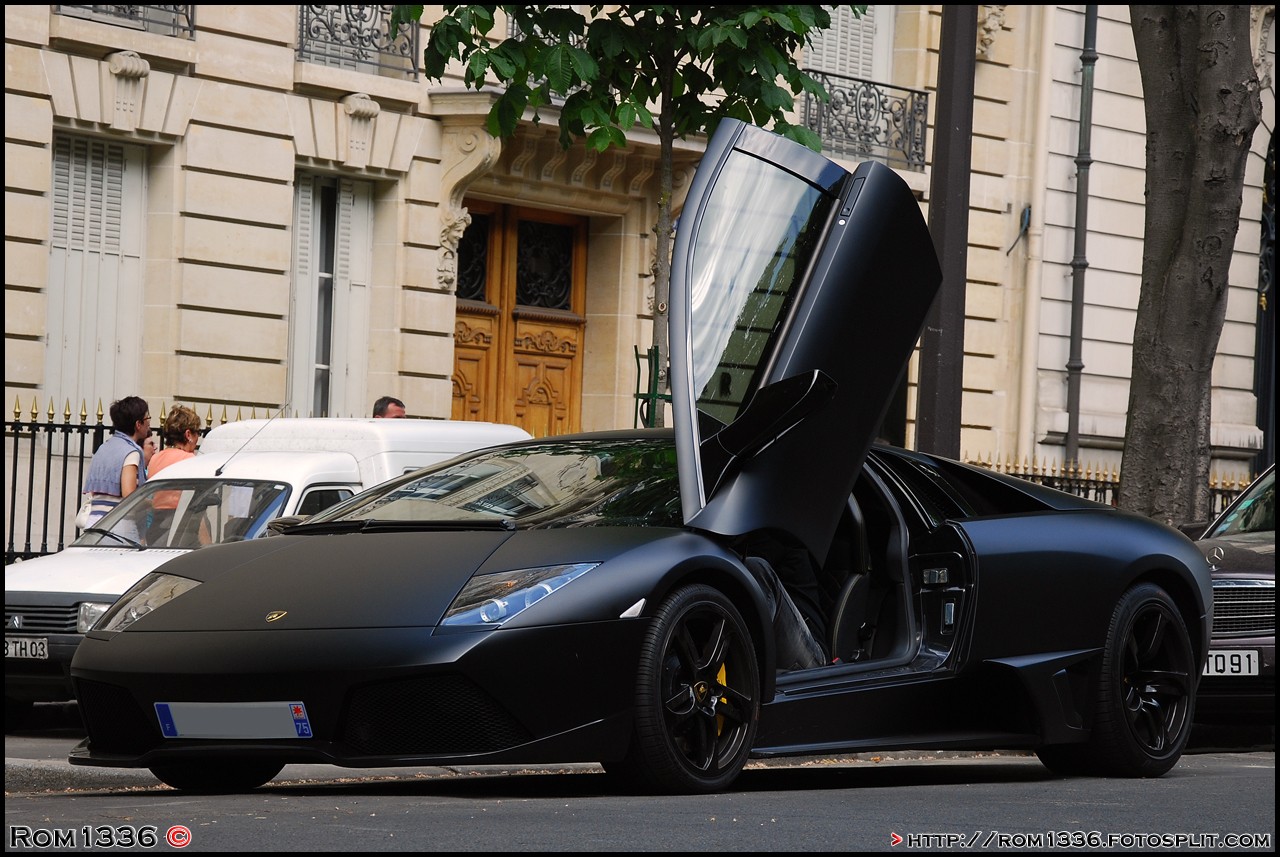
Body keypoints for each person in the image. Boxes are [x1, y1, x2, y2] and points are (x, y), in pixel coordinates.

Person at [79, 396, 151, 528]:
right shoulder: (131, 452)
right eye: (147, 418)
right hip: (117, 525)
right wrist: (152, 503)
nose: (149, 423)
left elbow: (96, 491)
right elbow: (129, 496)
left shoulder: (104, 448)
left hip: (93, 522)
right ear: (138, 424)